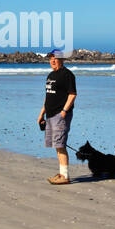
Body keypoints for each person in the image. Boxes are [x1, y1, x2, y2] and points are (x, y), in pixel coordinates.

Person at [38, 49, 76, 184]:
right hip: (50, 114)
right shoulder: (50, 75)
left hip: (60, 115)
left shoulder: (67, 75)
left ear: (62, 60)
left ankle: (65, 176)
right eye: (51, 58)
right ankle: (61, 174)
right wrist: (42, 113)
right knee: (56, 145)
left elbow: (72, 94)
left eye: (55, 58)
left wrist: (64, 111)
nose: (52, 61)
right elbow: (47, 96)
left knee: (60, 145)